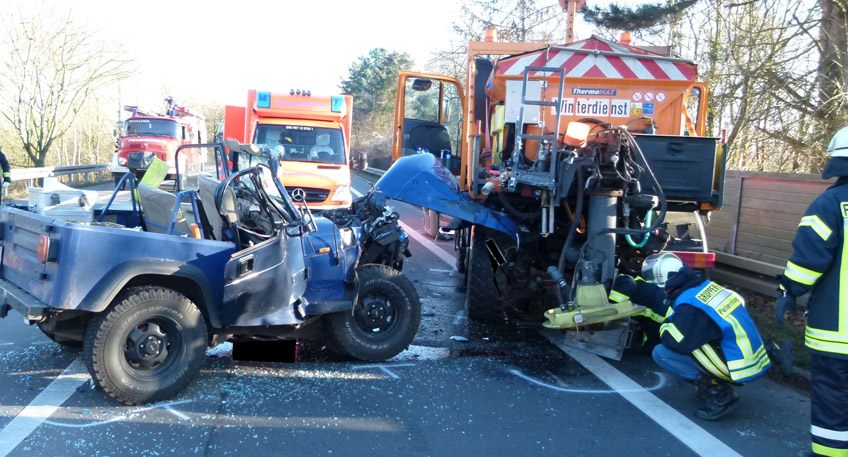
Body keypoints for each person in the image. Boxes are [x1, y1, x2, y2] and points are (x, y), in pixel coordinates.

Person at [775, 125, 848, 457]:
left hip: (838, 333)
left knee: (833, 397)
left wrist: (788, 291)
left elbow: (807, 263)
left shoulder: (832, 204)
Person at [645, 253, 771, 420]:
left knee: (662, 353)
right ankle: (715, 384)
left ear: (668, 283)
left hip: (739, 367)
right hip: (753, 358)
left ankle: (719, 393)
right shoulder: (707, 287)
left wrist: (666, 324)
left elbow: (675, 342)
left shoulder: (690, 305)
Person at [609, 273, 670, 353]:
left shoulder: (624, 282)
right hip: (662, 317)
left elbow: (613, 310)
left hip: (664, 319)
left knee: (651, 348)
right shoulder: (627, 282)